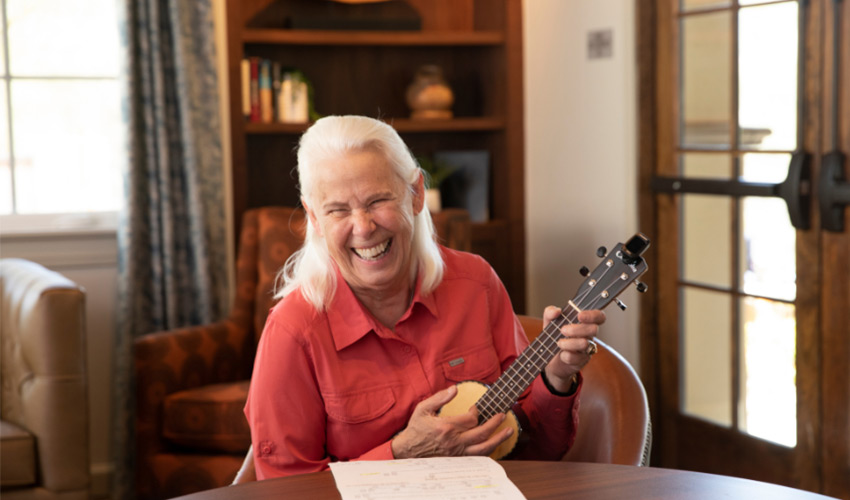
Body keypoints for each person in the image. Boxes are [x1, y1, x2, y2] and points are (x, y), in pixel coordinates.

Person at [244, 115, 605, 480]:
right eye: (338, 210)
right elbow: (285, 491)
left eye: (377, 200)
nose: (364, 227)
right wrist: (400, 454)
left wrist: (556, 377)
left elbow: (534, 448)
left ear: (415, 193)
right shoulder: (293, 332)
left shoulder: (476, 283)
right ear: (315, 219)